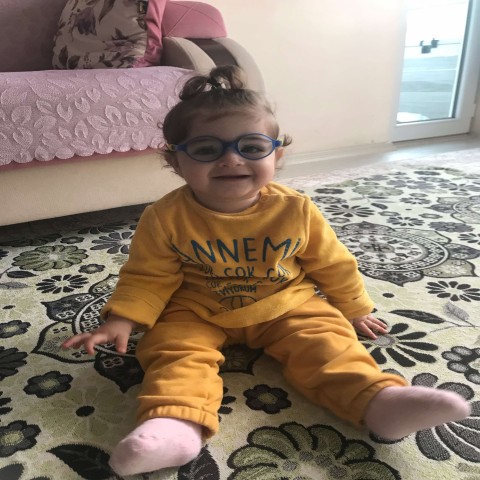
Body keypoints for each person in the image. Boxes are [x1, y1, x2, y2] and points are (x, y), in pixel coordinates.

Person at [62, 65, 471, 477]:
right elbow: (148, 275)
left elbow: (332, 262)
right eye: (206, 149)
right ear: (175, 161)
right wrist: (122, 319)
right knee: (172, 352)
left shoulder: (296, 209)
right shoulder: (164, 217)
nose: (231, 159)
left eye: (252, 147)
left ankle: (376, 402)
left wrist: (355, 308)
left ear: (276, 154)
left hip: (286, 302)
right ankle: (175, 425)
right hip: (196, 308)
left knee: (326, 341)